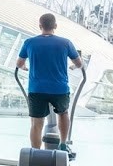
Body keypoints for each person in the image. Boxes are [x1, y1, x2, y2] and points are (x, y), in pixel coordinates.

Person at [17, 13, 83, 150]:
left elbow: (19, 63)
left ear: (40, 26)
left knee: (36, 122)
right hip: (59, 88)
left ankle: (35, 152)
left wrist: (24, 67)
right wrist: (73, 66)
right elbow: (79, 63)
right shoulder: (65, 42)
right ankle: (63, 144)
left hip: (37, 89)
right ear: (55, 26)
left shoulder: (29, 42)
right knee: (63, 113)